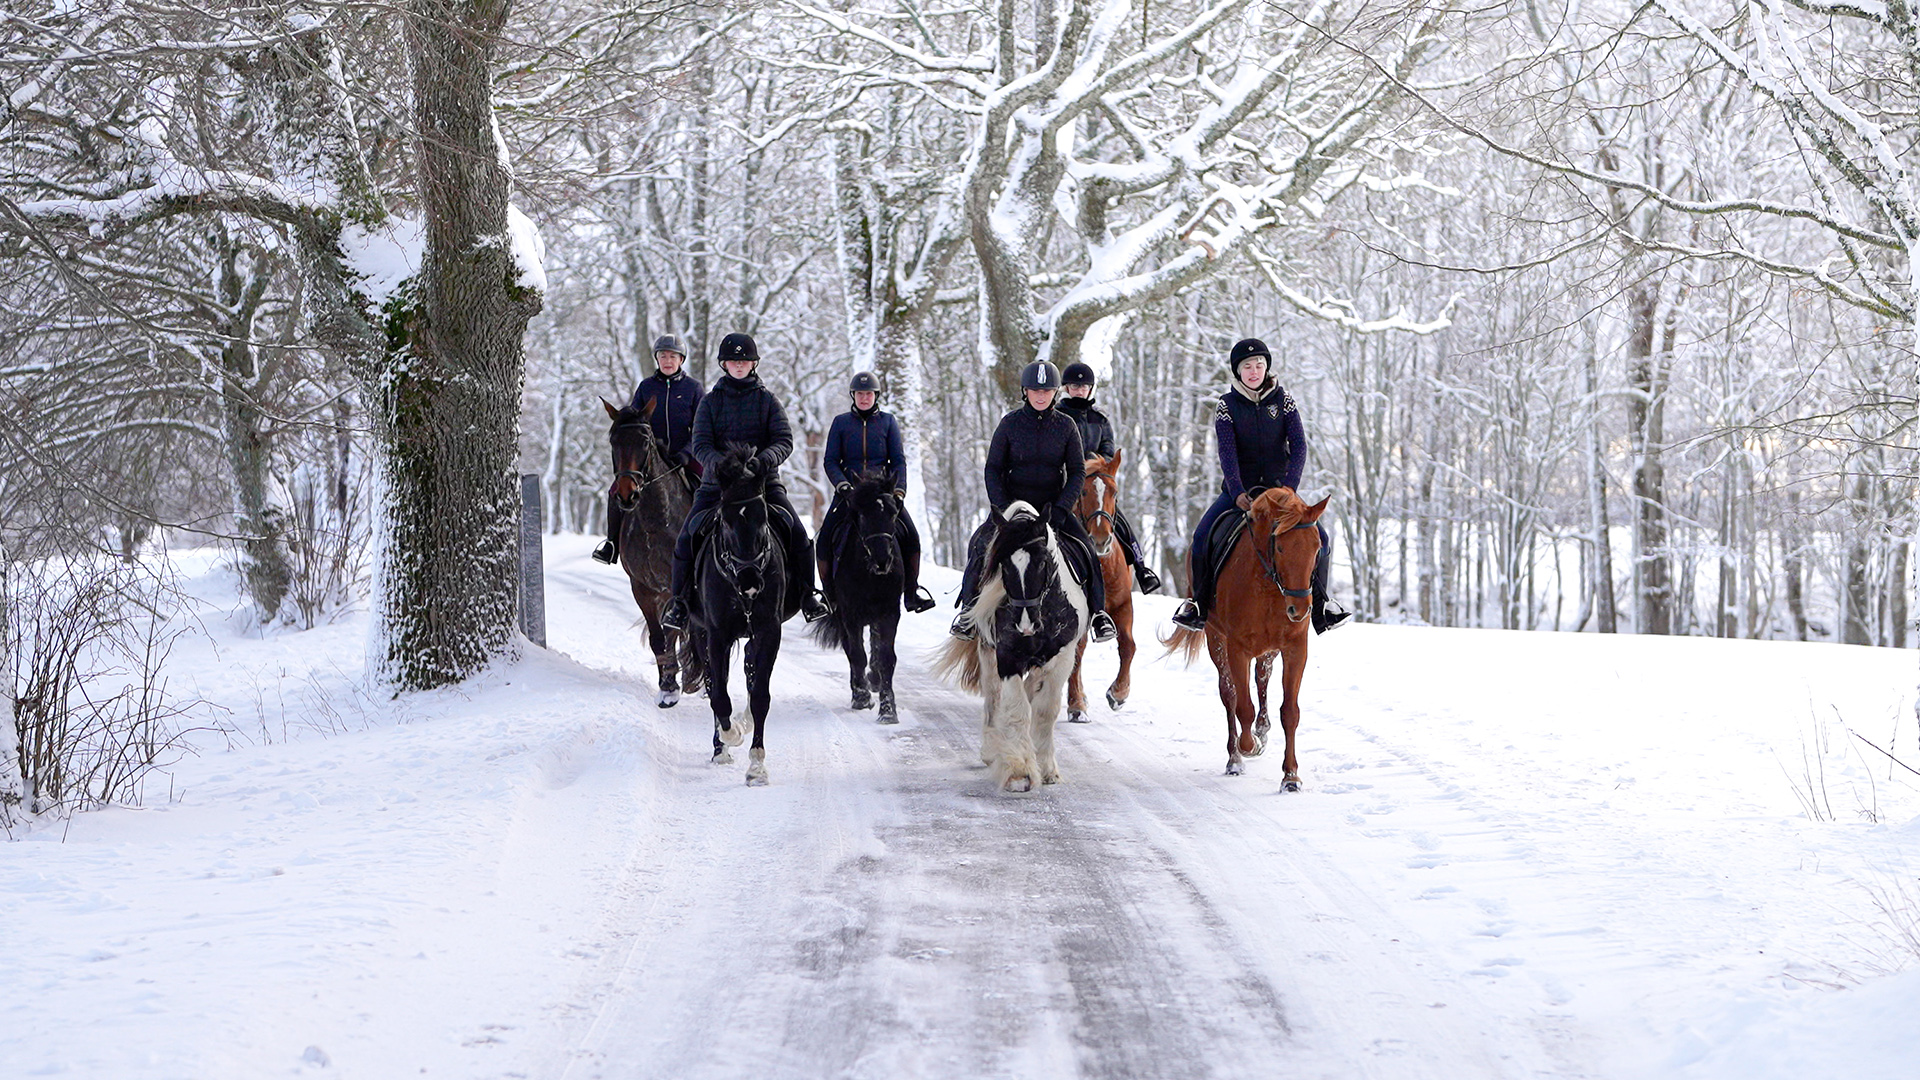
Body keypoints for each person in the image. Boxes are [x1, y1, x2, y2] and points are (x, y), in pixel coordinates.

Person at [1171, 338, 1351, 634]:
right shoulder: (1226, 406)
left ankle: (1321, 606)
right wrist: (1237, 490)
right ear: (1237, 371)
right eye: (1247, 367)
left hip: (1282, 492)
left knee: (1322, 538)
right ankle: (1199, 605)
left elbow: (1300, 446)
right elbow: (1226, 452)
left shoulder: (1284, 401)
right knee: (1201, 536)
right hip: (1240, 493)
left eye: (1259, 365)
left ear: (1266, 367)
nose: (1254, 371)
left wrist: (1290, 489)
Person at [660, 332, 830, 631]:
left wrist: (763, 461)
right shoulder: (710, 402)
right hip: (717, 486)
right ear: (724, 364)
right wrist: (723, 466)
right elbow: (700, 444)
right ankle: (680, 603)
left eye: (745, 361)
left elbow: (784, 440)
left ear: (753, 364)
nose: (739, 365)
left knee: (798, 532)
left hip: (763, 485)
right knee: (687, 535)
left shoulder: (768, 400)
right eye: (734, 361)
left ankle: (807, 596)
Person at [951, 361, 1117, 643]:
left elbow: (1077, 471)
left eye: (1047, 391)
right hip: (1013, 509)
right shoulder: (1009, 423)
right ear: (1025, 392)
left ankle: (1099, 615)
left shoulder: (1066, 426)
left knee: (1087, 550)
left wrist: (1063, 507)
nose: (1041, 396)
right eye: (1035, 390)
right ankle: (967, 613)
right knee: (979, 545)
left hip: (1053, 509)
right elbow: (992, 468)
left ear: (1055, 393)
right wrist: (1004, 508)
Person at [818, 372, 938, 613]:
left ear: (876, 396)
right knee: (824, 539)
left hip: (882, 493)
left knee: (911, 536)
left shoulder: (888, 422)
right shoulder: (841, 423)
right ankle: (828, 595)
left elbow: (898, 461)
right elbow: (830, 460)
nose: (864, 398)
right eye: (860, 394)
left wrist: (899, 492)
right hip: (850, 494)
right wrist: (843, 486)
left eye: (869, 394)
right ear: (853, 396)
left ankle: (911, 592)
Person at [593, 334, 704, 565]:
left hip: (685, 454)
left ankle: (713, 540)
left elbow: (701, 427)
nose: (667, 360)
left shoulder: (693, 388)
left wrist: (686, 452)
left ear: (681, 359)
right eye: (663, 356)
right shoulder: (646, 387)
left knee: (709, 486)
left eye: (672, 356)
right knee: (615, 491)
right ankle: (611, 544)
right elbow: (634, 422)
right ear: (657, 358)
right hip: (650, 456)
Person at [1056, 361, 1164, 595]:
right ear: (1066, 388)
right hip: (1064, 484)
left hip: (1094, 482)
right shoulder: (1058, 416)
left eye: (1085, 386)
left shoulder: (1100, 420)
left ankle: (1141, 567)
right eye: (1075, 385)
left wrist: (1096, 465)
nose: (1080, 390)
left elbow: (1108, 450)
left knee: (1120, 521)